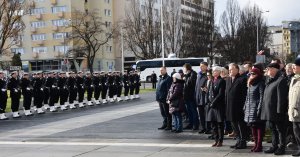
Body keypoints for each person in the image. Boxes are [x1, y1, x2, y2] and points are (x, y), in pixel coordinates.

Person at [261, 63, 289, 155]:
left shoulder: (281, 80)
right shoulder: (271, 80)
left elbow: (281, 98)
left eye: (269, 69)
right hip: (270, 110)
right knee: (273, 129)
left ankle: (281, 147)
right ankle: (274, 145)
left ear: (275, 69)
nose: (267, 71)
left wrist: (280, 111)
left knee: (280, 130)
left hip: (277, 111)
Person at [225, 63, 248, 149]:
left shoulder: (242, 79)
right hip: (230, 107)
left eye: (231, 69)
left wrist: (243, 107)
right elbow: (226, 94)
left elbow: (244, 95)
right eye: (229, 70)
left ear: (237, 70)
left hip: (239, 107)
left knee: (240, 125)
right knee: (234, 125)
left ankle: (243, 141)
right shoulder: (228, 80)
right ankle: (238, 140)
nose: (230, 71)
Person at [243, 68, 265, 152]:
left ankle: (259, 145)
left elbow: (261, 96)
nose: (251, 75)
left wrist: (259, 108)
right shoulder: (250, 83)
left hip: (256, 107)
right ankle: (255, 144)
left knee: (258, 127)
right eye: (250, 74)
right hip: (249, 107)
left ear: (258, 74)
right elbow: (247, 97)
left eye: (253, 74)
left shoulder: (260, 83)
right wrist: (245, 106)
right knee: (253, 127)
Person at [206, 67, 226, 147]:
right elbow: (209, 92)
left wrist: (213, 102)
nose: (213, 72)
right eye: (213, 71)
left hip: (218, 105)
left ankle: (220, 141)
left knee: (219, 124)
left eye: (214, 71)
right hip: (211, 105)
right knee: (213, 124)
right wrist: (208, 101)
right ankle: (216, 139)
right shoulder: (212, 81)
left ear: (218, 71)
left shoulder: (221, 81)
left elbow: (220, 94)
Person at [288, 58, 300, 156]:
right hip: (294, 112)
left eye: (295, 66)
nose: (293, 68)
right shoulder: (293, 79)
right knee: (297, 133)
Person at [183, 63, 199, 130]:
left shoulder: (193, 74)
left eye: (184, 68)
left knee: (193, 111)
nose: (183, 70)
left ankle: (195, 125)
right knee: (189, 111)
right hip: (187, 96)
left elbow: (190, 83)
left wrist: (186, 77)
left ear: (187, 68)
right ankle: (191, 123)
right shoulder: (187, 75)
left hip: (191, 96)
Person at [195, 62, 209, 133]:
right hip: (198, 97)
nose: (201, 67)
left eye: (202, 66)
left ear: (206, 67)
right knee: (200, 115)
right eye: (200, 66)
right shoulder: (198, 74)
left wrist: (206, 89)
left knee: (206, 114)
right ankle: (203, 127)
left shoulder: (208, 74)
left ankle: (207, 128)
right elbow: (196, 86)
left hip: (205, 97)